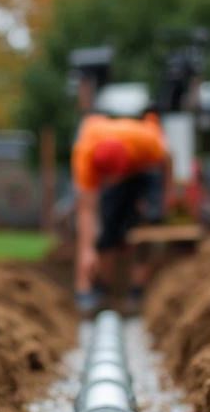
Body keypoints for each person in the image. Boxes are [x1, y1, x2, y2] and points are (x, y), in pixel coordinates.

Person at [72, 112, 170, 314]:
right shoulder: (84, 157)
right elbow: (86, 210)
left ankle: (137, 291)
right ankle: (103, 290)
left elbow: (167, 160)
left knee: (148, 223)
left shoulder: (147, 143)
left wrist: (166, 198)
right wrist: (87, 251)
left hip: (146, 168)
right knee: (109, 230)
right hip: (121, 159)